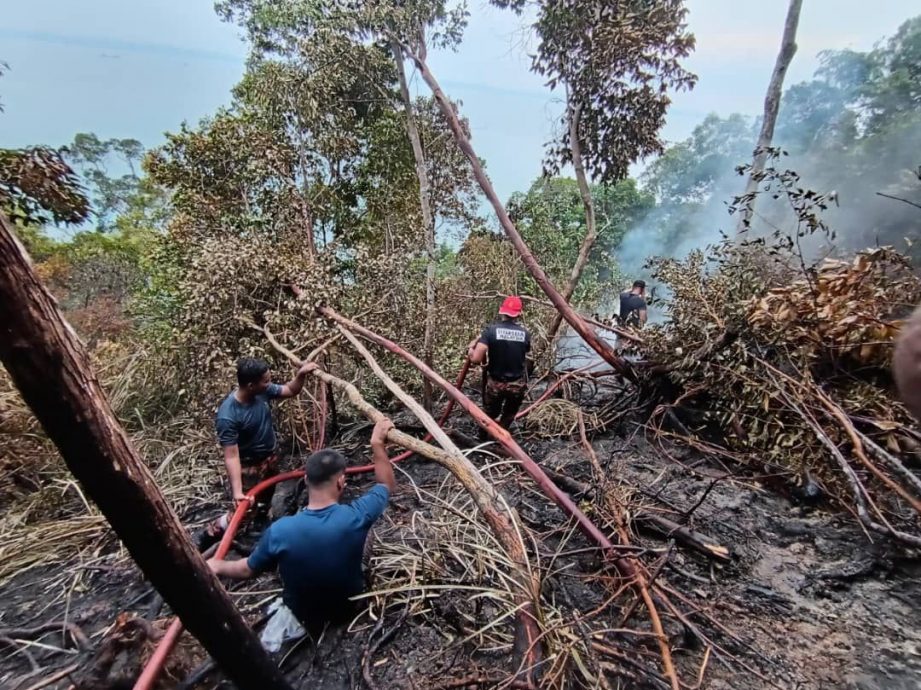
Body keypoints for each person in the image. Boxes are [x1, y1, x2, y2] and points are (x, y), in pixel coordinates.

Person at [207, 418, 396, 631]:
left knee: (282, 553)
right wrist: (377, 443)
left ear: (305, 480)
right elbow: (385, 485)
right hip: (348, 608)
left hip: (303, 615)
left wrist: (218, 565)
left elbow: (247, 570)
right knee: (366, 531)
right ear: (341, 482)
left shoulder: (279, 531)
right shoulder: (356, 515)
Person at [196, 356, 319, 551]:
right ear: (251, 385)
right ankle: (210, 533)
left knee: (266, 496)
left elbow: (290, 389)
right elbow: (231, 455)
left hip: (268, 458)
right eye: (266, 380)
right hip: (248, 466)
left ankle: (260, 526)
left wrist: (301, 375)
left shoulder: (262, 392)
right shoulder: (229, 415)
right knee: (243, 509)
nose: (270, 383)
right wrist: (237, 491)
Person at [467, 295, 531, 431]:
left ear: (501, 311)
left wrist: (471, 349)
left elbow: (476, 359)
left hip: (496, 384)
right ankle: (501, 438)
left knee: (489, 414)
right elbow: (524, 352)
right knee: (508, 415)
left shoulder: (491, 331)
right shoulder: (525, 334)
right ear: (518, 314)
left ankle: (484, 440)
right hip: (517, 385)